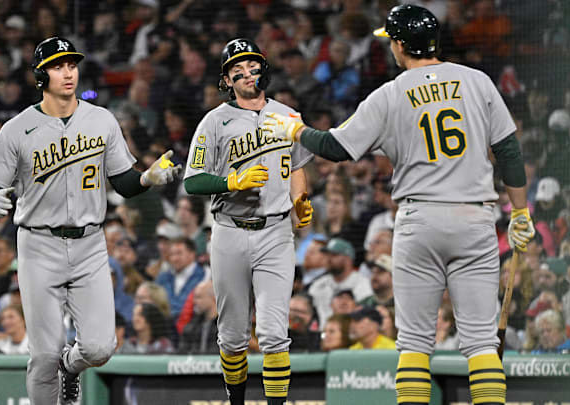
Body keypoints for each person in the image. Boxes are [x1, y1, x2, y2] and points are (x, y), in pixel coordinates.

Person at [262, 5, 536, 404]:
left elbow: (336, 149)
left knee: (414, 345)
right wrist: (521, 211)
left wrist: (296, 129)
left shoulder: (390, 93)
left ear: (402, 45)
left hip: (419, 220)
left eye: (391, 40)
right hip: (475, 218)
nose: (389, 46)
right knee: (480, 342)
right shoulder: (476, 81)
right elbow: (509, 152)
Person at [0, 36, 182, 405]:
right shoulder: (17, 128)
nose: (68, 72)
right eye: (58, 66)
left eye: (71, 64)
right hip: (38, 243)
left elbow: (123, 181)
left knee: (101, 348)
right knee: (41, 355)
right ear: (41, 75)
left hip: (90, 243)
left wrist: (147, 178)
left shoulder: (101, 119)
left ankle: (69, 366)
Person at [183, 38, 314, 405]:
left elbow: (299, 167)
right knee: (233, 335)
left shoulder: (288, 114)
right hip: (230, 231)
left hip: (275, 231)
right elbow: (192, 180)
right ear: (226, 79)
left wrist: (300, 199)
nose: (246, 74)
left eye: (252, 66)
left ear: (264, 68)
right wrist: (230, 181)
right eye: (236, 70)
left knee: (274, 333)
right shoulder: (215, 121)